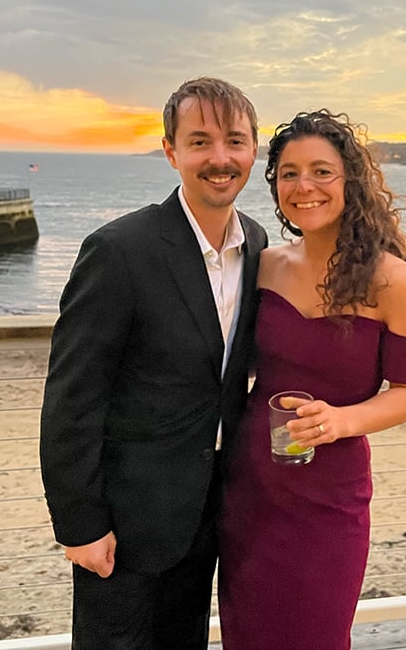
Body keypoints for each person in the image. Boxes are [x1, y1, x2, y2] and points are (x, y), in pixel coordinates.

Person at [39, 77, 267, 649]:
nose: (220, 159)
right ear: (171, 151)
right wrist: (81, 525)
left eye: (235, 141)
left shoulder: (260, 246)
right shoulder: (119, 251)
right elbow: (72, 397)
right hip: (128, 519)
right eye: (200, 142)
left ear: (253, 150)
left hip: (210, 511)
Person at [217, 109, 406, 649]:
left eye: (321, 171)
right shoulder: (263, 264)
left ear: (350, 182)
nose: (304, 186)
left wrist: (343, 420)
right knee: (246, 635)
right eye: (289, 173)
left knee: (316, 634)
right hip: (250, 486)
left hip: (329, 498)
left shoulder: (391, 280)